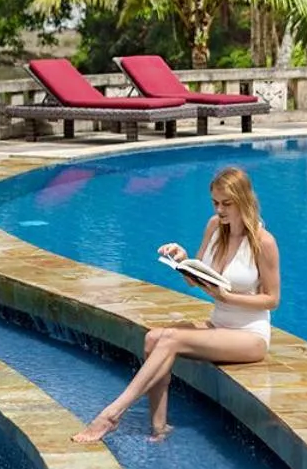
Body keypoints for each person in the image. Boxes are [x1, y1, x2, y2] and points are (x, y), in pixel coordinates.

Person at [72, 165, 280, 444]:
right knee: (153, 338)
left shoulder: (264, 242)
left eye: (226, 204)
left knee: (170, 339)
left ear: (243, 200)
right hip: (218, 324)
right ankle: (159, 427)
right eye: (215, 203)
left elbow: (272, 299)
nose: (219, 210)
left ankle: (112, 414)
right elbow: (197, 279)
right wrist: (182, 260)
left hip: (250, 335)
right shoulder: (215, 227)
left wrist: (227, 297)